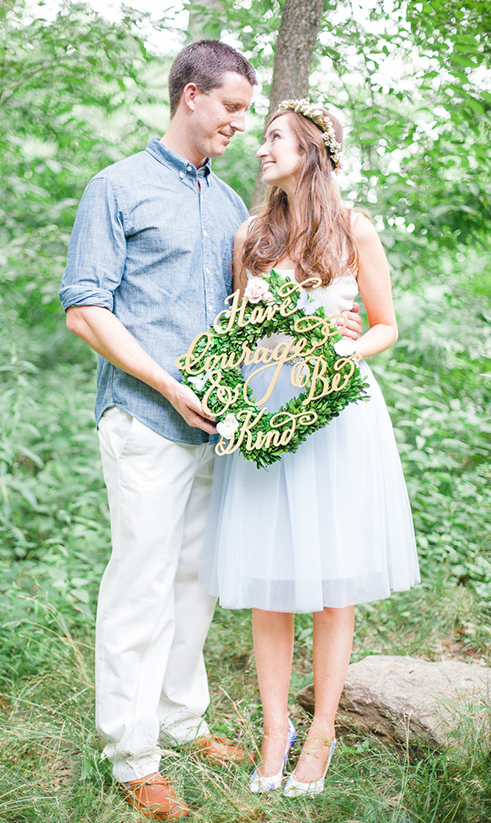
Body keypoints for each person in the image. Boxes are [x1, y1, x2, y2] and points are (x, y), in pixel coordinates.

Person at [59, 40, 258, 821]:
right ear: (190, 96)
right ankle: (133, 756)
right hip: (144, 418)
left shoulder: (231, 203)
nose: (239, 123)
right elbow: (85, 309)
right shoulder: (117, 187)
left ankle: (181, 721)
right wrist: (168, 386)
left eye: (246, 112)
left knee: (195, 582)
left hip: (213, 430)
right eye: (231, 108)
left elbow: (249, 313)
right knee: (142, 585)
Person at [199, 100, 420, 799]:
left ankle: (321, 728)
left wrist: (343, 349)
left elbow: (385, 324)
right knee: (270, 584)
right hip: (269, 420)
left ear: (311, 150)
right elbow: (239, 332)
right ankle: (274, 727)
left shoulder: (353, 229)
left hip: (336, 421)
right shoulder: (250, 235)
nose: (260, 148)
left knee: (329, 585)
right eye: (260, 137)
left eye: (273, 139)